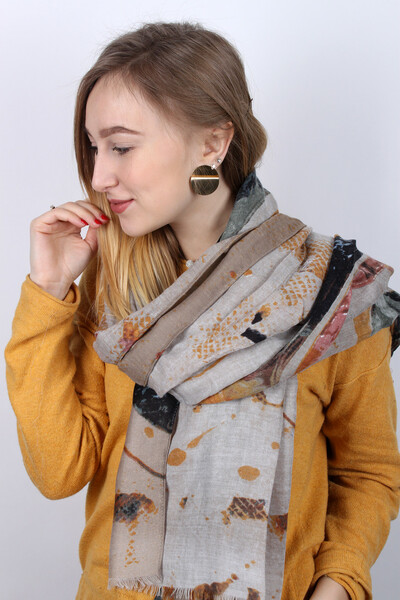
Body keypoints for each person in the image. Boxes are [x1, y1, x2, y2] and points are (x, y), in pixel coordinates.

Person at [5, 21, 400, 600]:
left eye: (121, 146)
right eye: (93, 147)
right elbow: (59, 472)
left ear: (213, 144)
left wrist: (339, 581)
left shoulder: (328, 292)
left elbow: (368, 473)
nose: (98, 176)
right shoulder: (114, 293)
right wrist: (48, 291)